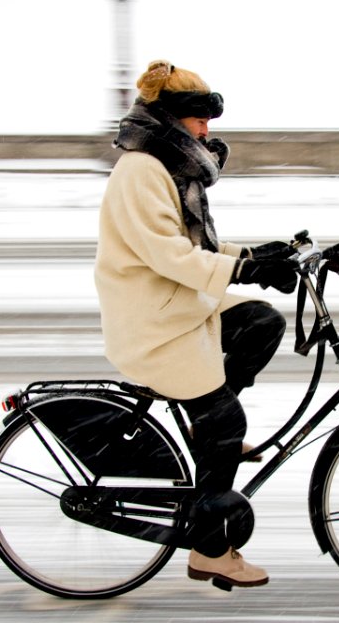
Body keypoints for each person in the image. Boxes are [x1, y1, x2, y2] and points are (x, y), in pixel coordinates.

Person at [94, 60, 297, 589]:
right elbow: (170, 258)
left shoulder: (171, 168)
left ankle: (209, 435)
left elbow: (197, 250)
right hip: (154, 323)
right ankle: (211, 549)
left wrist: (257, 254)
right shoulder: (141, 171)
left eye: (209, 116)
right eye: (196, 117)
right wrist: (246, 269)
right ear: (169, 119)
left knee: (260, 323)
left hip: (178, 307)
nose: (207, 128)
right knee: (226, 421)